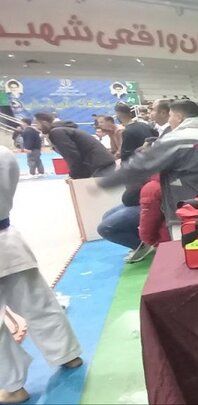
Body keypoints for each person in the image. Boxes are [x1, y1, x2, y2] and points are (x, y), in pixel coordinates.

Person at [0, 147, 84, 404]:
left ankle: (13, 386)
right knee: (39, 304)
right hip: (8, 242)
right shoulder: (3, 153)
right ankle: (68, 355)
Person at [95, 100, 198, 235]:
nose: (169, 121)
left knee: (185, 250)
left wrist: (106, 182)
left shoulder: (177, 139)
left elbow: (140, 165)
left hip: (188, 213)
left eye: (170, 116)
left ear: (179, 117)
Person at [34, 112, 116, 179]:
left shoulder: (57, 132)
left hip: (99, 164)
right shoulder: (61, 130)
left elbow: (72, 155)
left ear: (44, 123)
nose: (36, 126)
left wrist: (74, 175)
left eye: (36, 123)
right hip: (97, 164)